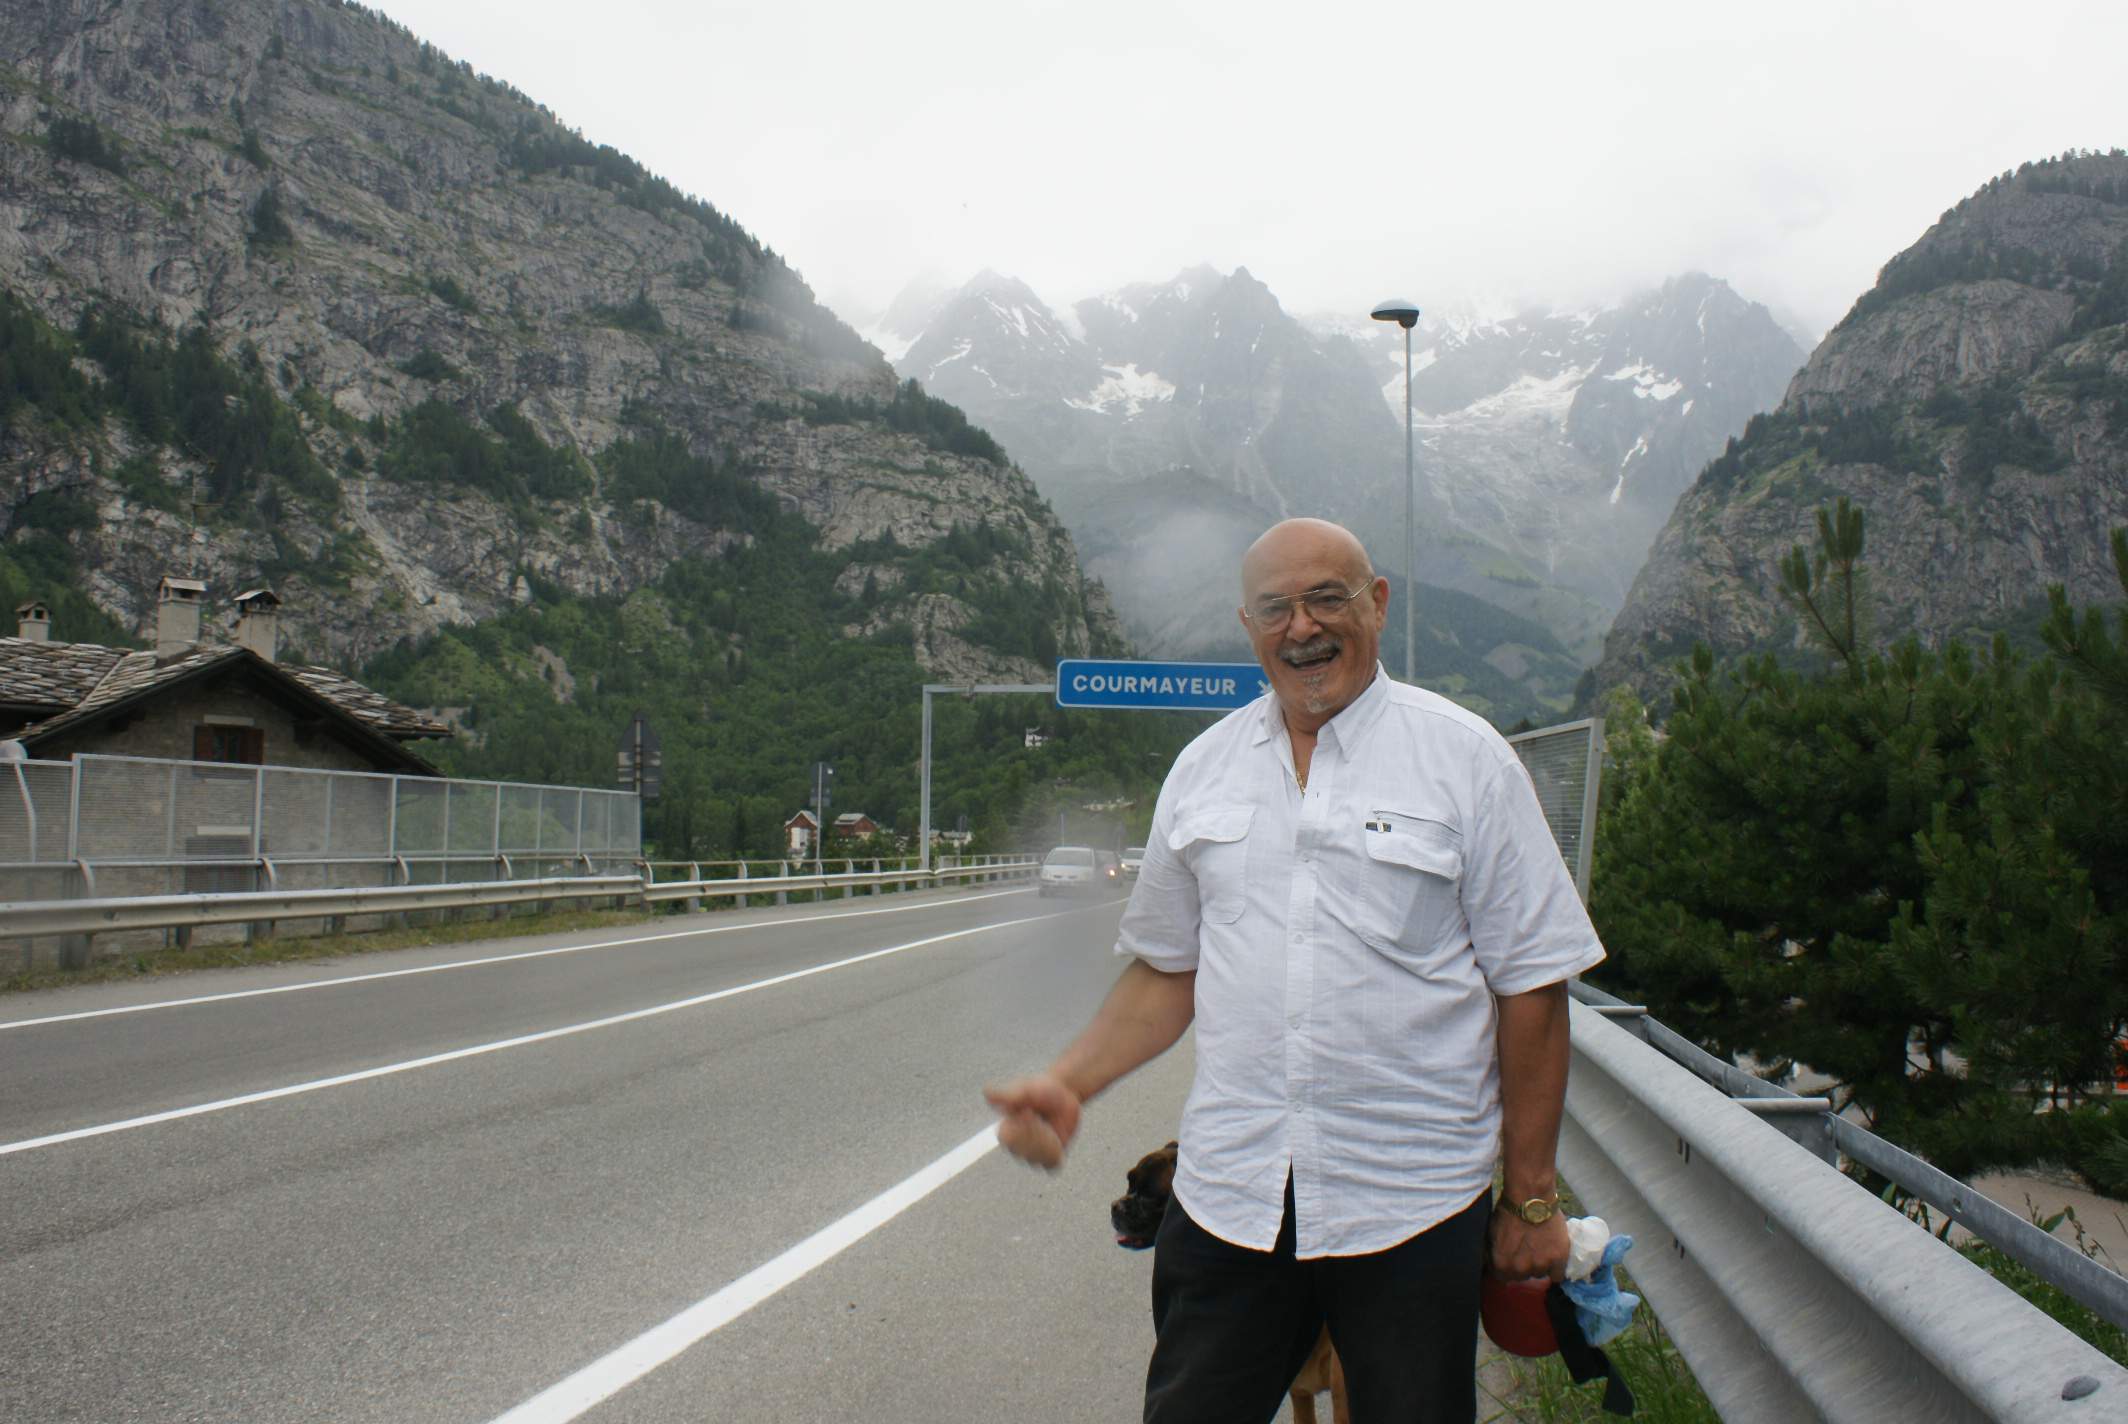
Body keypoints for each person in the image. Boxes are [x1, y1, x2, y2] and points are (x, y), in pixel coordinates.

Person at [984, 517, 1604, 1422]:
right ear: (1249, 627)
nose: (1302, 627)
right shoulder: (1203, 770)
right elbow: (1168, 972)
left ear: (1376, 604)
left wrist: (1532, 1198)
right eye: (1276, 608)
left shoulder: (1467, 759)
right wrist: (1068, 1081)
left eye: (1326, 598)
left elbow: (1533, 987)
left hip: (1412, 1206)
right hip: (1230, 1197)